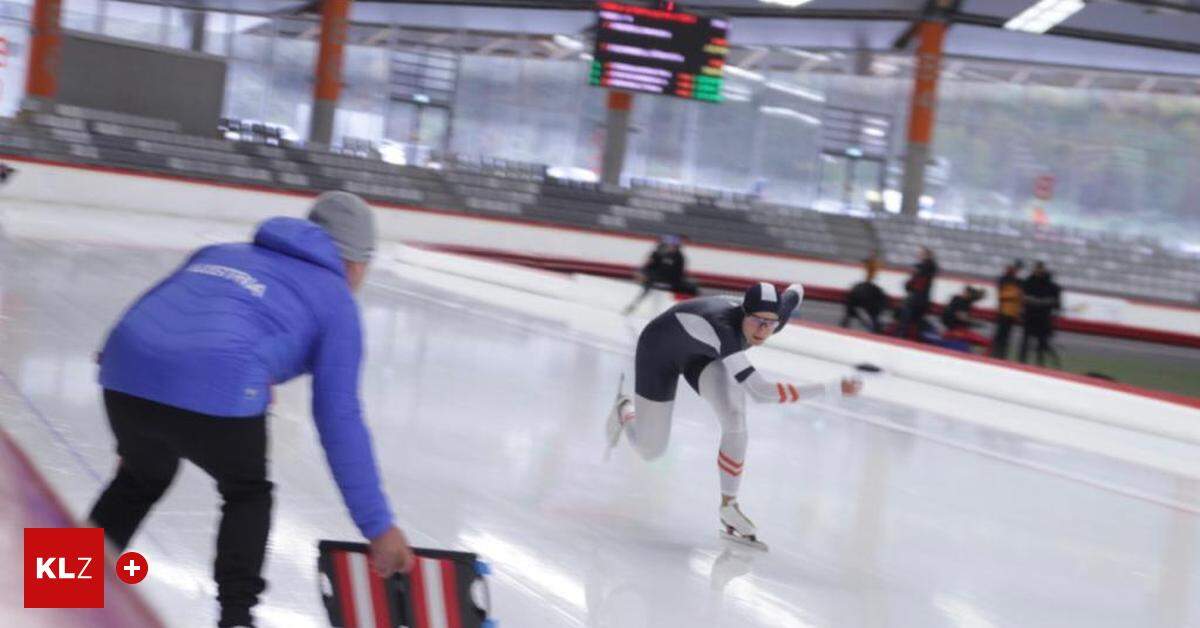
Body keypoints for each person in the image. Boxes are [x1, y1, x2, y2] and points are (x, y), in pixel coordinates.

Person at [88, 192, 414, 628]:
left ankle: (49, 590)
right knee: (247, 493)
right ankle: (236, 617)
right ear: (356, 263)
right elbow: (339, 418)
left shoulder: (220, 252)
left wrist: (136, 424)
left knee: (137, 479)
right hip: (215, 381)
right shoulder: (337, 298)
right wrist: (378, 526)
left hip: (124, 372)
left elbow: (159, 310)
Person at [606, 282, 863, 549]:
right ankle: (624, 409)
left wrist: (794, 295)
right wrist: (832, 388)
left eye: (770, 324)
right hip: (658, 351)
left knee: (735, 418)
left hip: (702, 355)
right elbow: (761, 392)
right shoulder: (725, 330)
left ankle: (729, 505)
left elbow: (795, 291)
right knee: (651, 450)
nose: (763, 330)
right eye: (756, 322)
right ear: (744, 312)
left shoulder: (775, 314)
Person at [623, 235, 699, 314]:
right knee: (648, 287)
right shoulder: (658, 254)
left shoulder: (679, 257)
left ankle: (688, 310)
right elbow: (648, 266)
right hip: (654, 279)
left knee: (690, 288)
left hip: (669, 281)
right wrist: (643, 273)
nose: (671, 247)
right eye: (670, 245)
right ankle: (633, 305)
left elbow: (679, 274)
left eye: (674, 246)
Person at [1019, 261, 1062, 367]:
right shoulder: (1028, 282)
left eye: (1040, 269)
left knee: (1041, 345)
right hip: (1030, 317)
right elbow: (1023, 298)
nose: (1038, 271)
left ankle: (1040, 365)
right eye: (1037, 269)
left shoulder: (1051, 285)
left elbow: (1056, 303)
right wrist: (1041, 302)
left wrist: (1036, 301)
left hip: (1043, 318)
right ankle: (1021, 364)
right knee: (1025, 342)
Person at [894, 247, 938, 340]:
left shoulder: (924, 267)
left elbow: (912, 283)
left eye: (921, 253)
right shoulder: (929, 267)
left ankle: (901, 337)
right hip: (923, 298)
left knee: (905, 320)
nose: (919, 255)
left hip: (916, 298)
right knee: (916, 322)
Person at [841, 250, 888, 333]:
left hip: (867, 283)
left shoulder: (873, 263)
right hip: (868, 284)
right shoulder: (873, 263)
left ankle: (845, 322)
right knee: (880, 300)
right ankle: (876, 324)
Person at [990, 260, 1024, 359]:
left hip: (1010, 312)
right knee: (1001, 335)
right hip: (1005, 311)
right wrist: (1015, 294)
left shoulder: (1015, 281)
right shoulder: (1006, 280)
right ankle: (996, 354)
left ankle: (1000, 354)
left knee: (1004, 335)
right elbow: (1002, 296)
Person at [940, 286, 990, 352]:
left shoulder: (963, 300)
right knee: (985, 342)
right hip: (955, 328)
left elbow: (963, 316)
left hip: (956, 326)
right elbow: (961, 317)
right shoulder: (959, 301)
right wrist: (975, 323)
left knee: (983, 340)